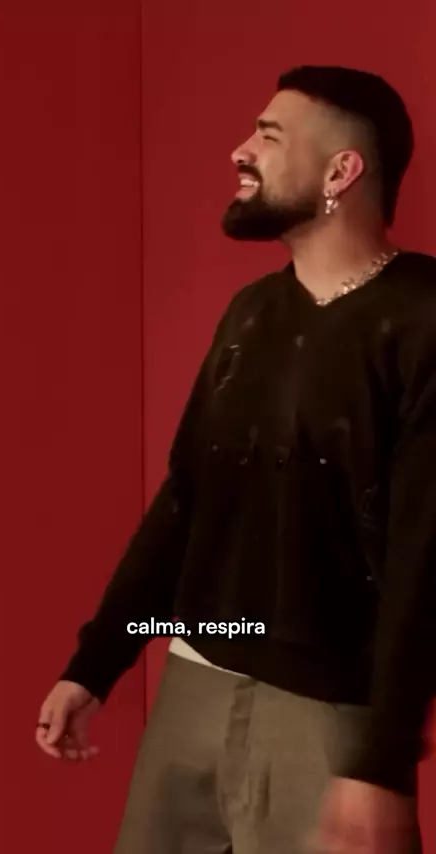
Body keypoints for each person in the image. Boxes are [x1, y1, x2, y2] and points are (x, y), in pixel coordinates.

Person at [36, 65, 435, 854]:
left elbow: (426, 552)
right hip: (194, 681)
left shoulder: (422, 317)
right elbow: (185, 502)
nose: (240, 150)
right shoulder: (249, 313)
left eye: (269, 135)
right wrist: (96, 663)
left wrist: (382, 758)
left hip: (329, 717)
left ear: (341, 172)